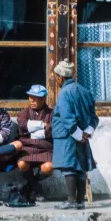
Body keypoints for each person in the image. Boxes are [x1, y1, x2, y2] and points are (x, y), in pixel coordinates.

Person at [52, 59, 99, 210]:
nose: (56, 80)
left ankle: (72, 200)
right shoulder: (84, 90)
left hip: (69, 137)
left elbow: (67, 117)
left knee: (70, 167)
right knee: (80, 167)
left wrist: (78, 134)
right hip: (81, 136)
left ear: (60, 77)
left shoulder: (64, 93)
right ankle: (80, 201)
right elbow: (94, 117)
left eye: (56, 77)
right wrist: (86, 133)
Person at [14, 85, 54, 202]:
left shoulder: (51, 113)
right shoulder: (24, 112)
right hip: (28, 148)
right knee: (22, 164)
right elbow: (22, 125)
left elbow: (52, 130)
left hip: (45, 149)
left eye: (35, 97)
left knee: (48, 167)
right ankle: (36, 187)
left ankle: (30, 185)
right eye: (30, 97)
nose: (31, 100)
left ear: (43, 99)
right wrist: (42, 126)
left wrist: (31, 133)